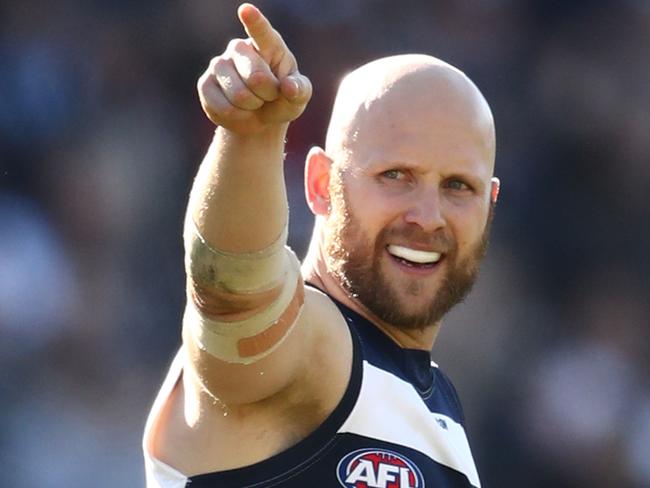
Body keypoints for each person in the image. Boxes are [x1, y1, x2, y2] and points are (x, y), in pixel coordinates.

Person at [143, 3, 499, 487]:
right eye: (395, 176)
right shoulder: (309, 348)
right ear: (320, 184)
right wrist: (251, 136)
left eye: (458, 186)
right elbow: (234, 294)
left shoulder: (437, 407)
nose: (427, 216)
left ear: (489, 204)